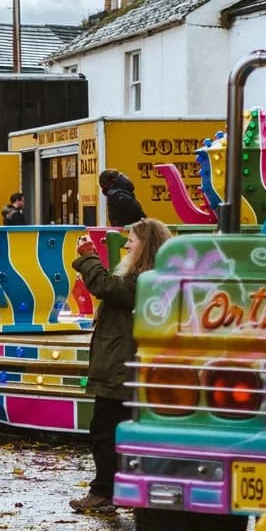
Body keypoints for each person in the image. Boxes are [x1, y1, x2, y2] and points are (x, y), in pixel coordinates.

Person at [70, 217, 172, 514]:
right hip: (126, 363)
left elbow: (106, 286)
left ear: (146, 246)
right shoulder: (148, 275)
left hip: (121, 365)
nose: (126, 244)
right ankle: (122, 487)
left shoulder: (144, 277)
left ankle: (104, 491)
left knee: (104, 429)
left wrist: (89, 257)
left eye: (132, 240)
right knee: (118, 429)